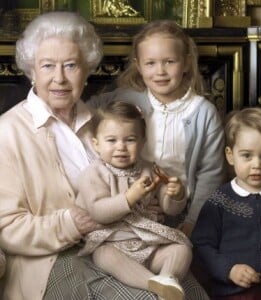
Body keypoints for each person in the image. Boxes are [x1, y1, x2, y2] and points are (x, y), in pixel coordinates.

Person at [0, 11, 210, 300]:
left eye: (71, 65)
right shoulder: (8, 132)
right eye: (48, 66)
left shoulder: (103, 123)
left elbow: (137, 180)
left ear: (86, 70)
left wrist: (154, 202)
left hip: (125, 241)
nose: (59, 78)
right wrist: (71, 223)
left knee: (194, 296)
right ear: (31, 71)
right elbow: (7, 229)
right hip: (53, 259)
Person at [88, 20, 226, 238]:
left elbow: (210, 175)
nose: (160, 71)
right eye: (150, 63)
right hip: (129, 204)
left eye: (169, 61)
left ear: (187, 63)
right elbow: (87, 110)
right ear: (138, 65)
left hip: (180, 210)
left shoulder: (203, 113)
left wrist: (192, 222)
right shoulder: (127, 98)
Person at [76, 101, 193, 300]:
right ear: (96, 143)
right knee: (103, 255)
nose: (121, 147)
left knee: (182, 249)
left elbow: (168, 209)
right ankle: (152, 284)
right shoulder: (93, 174)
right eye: (111, 140)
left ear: (142, 141)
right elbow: (98, 212)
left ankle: (167, 278)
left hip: (149, 244)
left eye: (130, 140)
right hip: (113, 241)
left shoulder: (150, 169)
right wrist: (130, 197)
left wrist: (175, 195)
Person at [191, 107, 261, 299]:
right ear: (230, 155)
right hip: (231, 293)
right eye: (247, 155)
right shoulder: (220, 200)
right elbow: (202, 246)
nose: (257, 164)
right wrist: (229, 269)